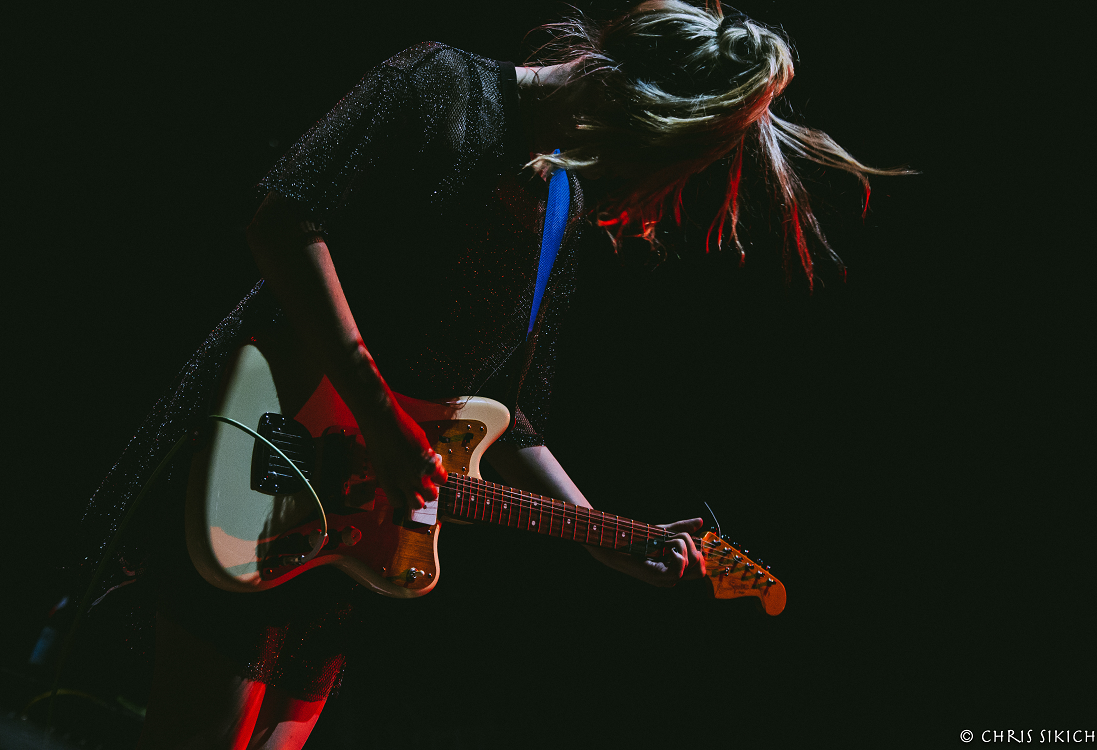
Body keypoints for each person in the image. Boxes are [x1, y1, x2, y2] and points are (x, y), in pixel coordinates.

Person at [72, 2, 903, 747]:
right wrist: (383, 420)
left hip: (352, 523)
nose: (619, 173)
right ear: (616, 88)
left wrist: (599, 534)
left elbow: (509, 410)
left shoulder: (558, 204)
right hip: (270, 441)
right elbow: (285, 220)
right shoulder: (438, 83)